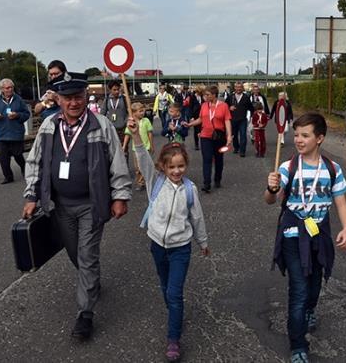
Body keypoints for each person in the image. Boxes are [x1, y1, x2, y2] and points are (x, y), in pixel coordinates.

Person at [22, 72, 132, 340]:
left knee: (86, 255)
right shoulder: (48, 126)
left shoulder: (101, 125)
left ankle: (85, 314)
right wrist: (31, 195)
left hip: (91, 205)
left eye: (78, 97)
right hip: (59, 206)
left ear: (86, 97)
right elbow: (35, 163)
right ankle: (90, 278)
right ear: (58, 100)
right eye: (68, 98)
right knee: (76, 254)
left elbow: (117, 162)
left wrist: (120, 196)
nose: (74, 103)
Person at [265, 112, 346, 363]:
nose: (299, 140)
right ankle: (298, 344)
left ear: (320, 138)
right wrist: (271, 189)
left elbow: (341, 203)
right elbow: (270, 200)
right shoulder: (287, 167)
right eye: (296, 135)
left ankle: (310, 310)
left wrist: (345, 228)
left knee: (315, 283)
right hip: (293, 231)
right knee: (299, 288)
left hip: (319, 231)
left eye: (305, 135)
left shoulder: (333, 169)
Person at [127, 120, 208, 361]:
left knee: (174, 293)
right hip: (157, 245)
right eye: (171, 167)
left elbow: (197, 218)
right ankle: (175, 312)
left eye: (180, 166)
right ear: (162, 167)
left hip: (181, 247)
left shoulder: (190, 190)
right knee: (165, 286)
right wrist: (136, 137)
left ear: (186, 166)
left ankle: (173, 339)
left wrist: (203, 242)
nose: (176, 171)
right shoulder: (156, 181)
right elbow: (142, 156)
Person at [185, 85, 232, 192]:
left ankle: (217, 179)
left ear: (214, 95)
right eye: (204, 95)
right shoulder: (204, 105)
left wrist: (229, 136)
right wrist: (190, 124)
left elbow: (227, 121)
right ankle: (207, 183)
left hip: (219, 137)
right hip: (205, 136)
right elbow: (201, 119)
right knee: (207, 159)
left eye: (207, 95)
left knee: (218, 159)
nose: (205, 97)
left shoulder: (223, 106)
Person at [0, 78, 31, 184]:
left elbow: (26, 114)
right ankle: (8, 176)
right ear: (1, 89)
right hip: (1, 134)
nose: (9, 89)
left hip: (16, 134)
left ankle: (25, 171)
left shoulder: (19, 99)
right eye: (7, 88)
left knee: (18, 155)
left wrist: (17, 115)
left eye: (11, 87)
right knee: (3, 158)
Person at [123, 102, 154, 191]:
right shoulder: (131, 122)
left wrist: (151, 145)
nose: (143, 112)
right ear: (134, 113)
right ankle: (140, 182)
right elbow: (127, 134)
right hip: (135, 148)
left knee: (146, 165)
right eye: (140, 111)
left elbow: (150, 133)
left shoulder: (146, 121)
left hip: (146, 147)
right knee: (138, 167)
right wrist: (124, 146)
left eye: (143, 110)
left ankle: (147, 180)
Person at [224, 82, 253, 157]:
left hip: (242, 119)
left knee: (243, 135)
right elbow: (224, 106)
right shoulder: (231, 97)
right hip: (233, 119)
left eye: (240, 87)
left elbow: (251, 108)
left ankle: (242, 151)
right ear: (235, 88)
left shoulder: (246, 97)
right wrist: (229, 108)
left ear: (242, 88)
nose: (238, 89)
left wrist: (253, 117)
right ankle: (236, 147)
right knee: (234, 135)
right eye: (237, 87)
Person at [189, 86, 204, 150]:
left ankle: (203, 143)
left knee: (202, 129)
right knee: (196, 130)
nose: (200, 93)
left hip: (203, 115)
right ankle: (196, 144)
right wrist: (191, 116)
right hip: (195, 115)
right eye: (199, 92)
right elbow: (190, 107)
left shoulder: (203, 97)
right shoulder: (192, 97)